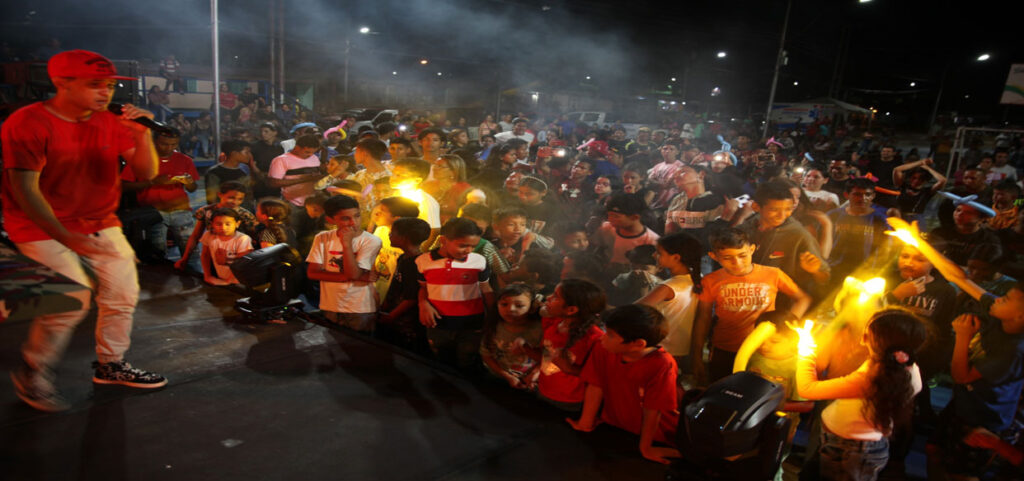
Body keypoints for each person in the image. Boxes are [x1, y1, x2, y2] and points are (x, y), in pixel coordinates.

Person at [3, 50, 170, 411]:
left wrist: (142, 136)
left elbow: (146, 174)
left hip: (98, 221)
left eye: (110, 85)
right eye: (95, 84)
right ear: (61, 83)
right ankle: (34, 371)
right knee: (71, 300)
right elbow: (25, 189)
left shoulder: (109, 122)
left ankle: (111, 366)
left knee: (123, 294)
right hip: (38, 224)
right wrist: (66, 238)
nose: (105, 93)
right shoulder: (27, 122)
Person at [885, 217, 1024, 481]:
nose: (996, 298)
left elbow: (961, 376)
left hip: (985, 418)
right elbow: (956, 276)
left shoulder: (1014, 350)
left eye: (1005, 298)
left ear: (1020, 317)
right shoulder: (997, 312)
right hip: (961, 405)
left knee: (959, 472)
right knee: (934, 449)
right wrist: (917, 242)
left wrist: (963, 337)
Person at [793, 309, 927, 481]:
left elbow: (807, 389)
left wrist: (806, 351)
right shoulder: (905, 366)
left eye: (867, 333)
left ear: (875, 342)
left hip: (849, 451)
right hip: (850, 445)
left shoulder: (873, 378)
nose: (862, 338)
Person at [692, 228, 811, 384]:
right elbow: (703, 318)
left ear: (752, 249)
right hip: (725, 349)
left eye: (742, 255)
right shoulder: (711, 281)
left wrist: (786, 324)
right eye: (728, 258)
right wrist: (696, 356)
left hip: (763, 349)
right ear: (714, 257)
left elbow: (803, 299)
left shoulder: (773, 274)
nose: (737, 262)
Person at [568, 304, 681, 465]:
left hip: (656, 434)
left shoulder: (662, 364)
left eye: (610, 335)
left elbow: (654, 409)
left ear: (638, 344)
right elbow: (596, 384)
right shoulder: (604, 348)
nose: (602, 337)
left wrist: (646, 448)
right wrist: (585, 423)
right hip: (615, 425)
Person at [417, 218, 495, 370]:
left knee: (467, 361)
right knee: (441, 360)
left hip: (471, 324)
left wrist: (492, 318)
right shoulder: (423, 261)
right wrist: (423, 304)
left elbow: (486, 289)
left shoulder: (479, 261)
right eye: (463, 245)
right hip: (438, 323)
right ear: (443, 240)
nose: (468, 250)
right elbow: (423, 288)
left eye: (473, 246)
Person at [120, 128, 200, 267]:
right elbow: (124, 186)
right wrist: (152, 182)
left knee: (190, 252)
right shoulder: (141, 159)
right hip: (153, 212)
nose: (169, 148)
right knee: (158, 253)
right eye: (164, 144)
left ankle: (195, 279)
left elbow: (192, 188)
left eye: (174, 144)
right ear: (154, 141)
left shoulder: (184, 160)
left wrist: (189, 182)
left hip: (181, 211)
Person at [537, 278, 607, 410]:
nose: (548, 298)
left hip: (570, 401)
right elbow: (546, 358)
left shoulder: (595, 339)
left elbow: (600, 378)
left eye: (555, 296)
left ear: (571, 310)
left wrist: (569, 368)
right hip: (543, 389)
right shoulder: (554, 322)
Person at [638, 232, 702, 369]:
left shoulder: (668, 287)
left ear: (676, 257)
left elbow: (634, 311)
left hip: (663, 349)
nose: (654, 255)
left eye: (659, 253)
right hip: (683, 348)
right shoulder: (698, 279)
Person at [377, 217, 433, 356]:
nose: (389, 235)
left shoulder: (416, 264)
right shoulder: (404, 258)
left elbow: (411, 297)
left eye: (393, 232)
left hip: (406, 322)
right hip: (395, 313)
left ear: (404, 238)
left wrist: (391, 316)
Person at [175, 181, 257, 271]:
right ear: (220, 195)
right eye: (231, 198)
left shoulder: (245, 215)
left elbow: (254, 239)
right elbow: (195, 236)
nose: (235, 202)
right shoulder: (206, 211)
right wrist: (185, 258)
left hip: (237, 258)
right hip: (213, 255)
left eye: (240, 199)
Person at [480, 284, 544, 389]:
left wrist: (533, 374)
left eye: (519, 305)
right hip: (498, 377)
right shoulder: (494, 326)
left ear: (532, 308)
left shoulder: (540, 329)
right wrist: (507, 376)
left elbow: (548, 357)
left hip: (530, 379)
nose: (511, 309)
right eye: (504, 304)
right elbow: (486, 354)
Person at [592, 193, 660, 274]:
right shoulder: (606, 228)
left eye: (615, 216)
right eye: (609, 215)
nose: (610, 219)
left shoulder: (652, 240)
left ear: (635, 217)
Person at [268, 133, 325, 208]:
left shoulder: (314, 158)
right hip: (292, 203)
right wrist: (304, 179)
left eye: (313, 152)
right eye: (307, 152)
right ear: (297, 147)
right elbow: (273, 183)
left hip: (312, 203)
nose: (310, 155)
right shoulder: (281, 160)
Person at [199, 208, 253, 286]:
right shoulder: (209, 235)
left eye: (228, 224)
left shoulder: (242, 239)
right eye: (218, 224)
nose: (223, 228)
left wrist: (229, 281)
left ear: (237, 223)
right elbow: (205, 255)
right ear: (212, 224)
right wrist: (207, 275)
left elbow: (243, 263)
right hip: (221, 278)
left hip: (240, 281)